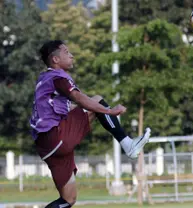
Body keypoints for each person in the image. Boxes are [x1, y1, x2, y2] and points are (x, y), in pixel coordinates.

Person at [29, 40, 151, 208]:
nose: (71, 55)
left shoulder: (44, 79)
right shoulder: (58, 77)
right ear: (55, 59)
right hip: (56, 137)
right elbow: (79, 98)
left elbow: (67, 107)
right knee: (98, 100)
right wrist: (109, 111)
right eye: (66, 52)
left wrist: (88, 108)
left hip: (47, 147)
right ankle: (127, 144)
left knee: (68, 199)